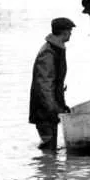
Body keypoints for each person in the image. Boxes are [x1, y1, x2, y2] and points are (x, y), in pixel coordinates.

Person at [29, 17, 75, 150]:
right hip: (44, 110)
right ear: (64, 32)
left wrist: (61, 105)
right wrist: (54, 108)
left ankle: (49, 167)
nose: (71, 34)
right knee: (49, 146)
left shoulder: (56, 49)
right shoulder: (49, 52)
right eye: (70, 31)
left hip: (49, 109)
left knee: (51, 151)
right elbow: (45, 85)